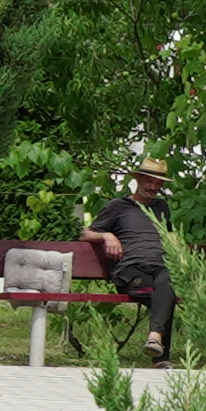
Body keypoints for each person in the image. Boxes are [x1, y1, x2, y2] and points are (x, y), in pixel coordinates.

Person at [85, 156, 183, 363]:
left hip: (159, 269)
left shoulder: (162, 207)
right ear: (138, 180)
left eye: (158, 184)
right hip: (131, 271)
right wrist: (106, 235)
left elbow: (170, 236)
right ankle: (160, 357)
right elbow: (85, 234)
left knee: (167, 283)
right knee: (165, 295)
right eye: (149, 181)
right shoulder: (118, 206)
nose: (153, 187)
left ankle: (155, 341)